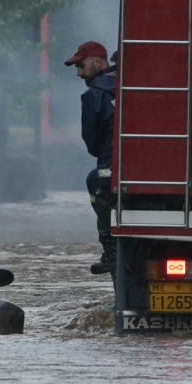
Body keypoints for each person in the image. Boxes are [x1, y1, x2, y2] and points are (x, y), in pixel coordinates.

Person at [65, 41, 117, 275]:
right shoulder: (130, 84)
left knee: (97, 183)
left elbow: (92, 143)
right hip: (150, 167)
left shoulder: (94, 95)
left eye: (81, 66)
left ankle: (111, 251)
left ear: (98, 62)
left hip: (111, 166)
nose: (79, 73)